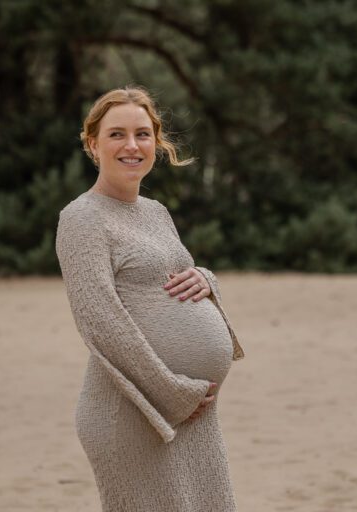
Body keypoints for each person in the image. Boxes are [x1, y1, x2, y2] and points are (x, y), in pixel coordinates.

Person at [55, 86, 245, 511]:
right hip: (137, 409)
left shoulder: (157, 212)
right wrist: (171, 392)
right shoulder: (82, 218)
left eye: (143, 134)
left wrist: (206, 279)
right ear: (93, 144)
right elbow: (99, 320)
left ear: (156, 144)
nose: (132, 145)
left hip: (192, 411)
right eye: (116, 134)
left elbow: (174, 279)